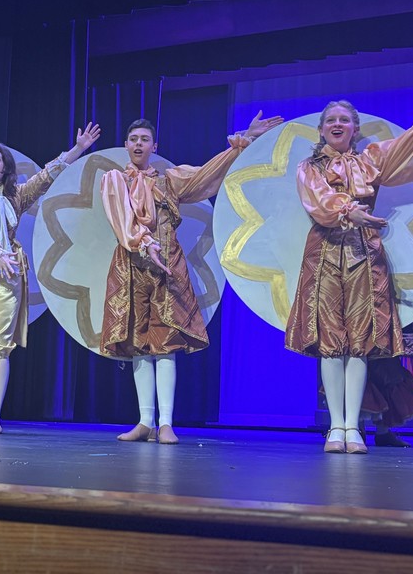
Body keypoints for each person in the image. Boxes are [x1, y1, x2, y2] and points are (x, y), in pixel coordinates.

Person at [284, 72, 413, 454]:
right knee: (331, 343)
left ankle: (354, 428)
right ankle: (336, 427)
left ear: (355, 128)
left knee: (359, 342)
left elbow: (410, 145)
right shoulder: (309, 167)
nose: (338, 124)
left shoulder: (370, 160)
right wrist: (348, 212)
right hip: (325, 252)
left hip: (364, 252)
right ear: (322, 130)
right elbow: (318, 200)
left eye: (345, 119)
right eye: (331, 120)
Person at [100, 112, 282, 445]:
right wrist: (143, 242)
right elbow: (121, 219)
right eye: (134, 139)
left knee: (165, 343)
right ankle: (144, 420)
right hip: (132, 264)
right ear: (126, 145)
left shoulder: (170, 180)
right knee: (138, 344)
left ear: (155, 146)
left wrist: (244, 140)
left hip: (167, 264)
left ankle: (166, 422)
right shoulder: (115, 179)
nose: (139, 144)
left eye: (145, 139)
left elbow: (208, 175)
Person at [0, 124, 101, 435]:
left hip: (8, 271)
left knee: (0, 346)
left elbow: (46, 178)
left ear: (6, 167)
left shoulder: (16, 196)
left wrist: (77, 149)